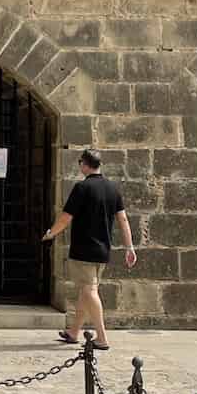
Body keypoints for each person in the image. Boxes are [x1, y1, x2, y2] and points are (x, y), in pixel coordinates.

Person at [42, 149, 136, 351]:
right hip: (102, 250)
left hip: (83, 250)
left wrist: (51, 233)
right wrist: (129, 247)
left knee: (89, 291)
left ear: (84, 164)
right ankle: (73, 332)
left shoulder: (81, 188)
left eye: (80, 162)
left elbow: (66, 218)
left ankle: (101, 337)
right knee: (86, 292)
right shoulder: (113, 189)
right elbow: (123, 219)